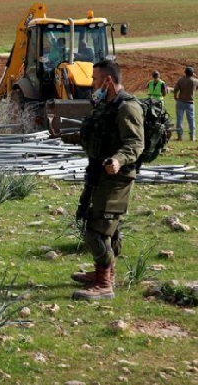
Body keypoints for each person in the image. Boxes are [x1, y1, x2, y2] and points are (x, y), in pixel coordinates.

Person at [71, 60, 144, 300]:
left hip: (116, 177)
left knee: (97, 230)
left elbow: (135, 143)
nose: (92, 84)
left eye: (94, 79)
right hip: (99, 173)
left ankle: (104, 285)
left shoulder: (127, 108)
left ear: (108, 81)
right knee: (107, 227)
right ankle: (104, 272)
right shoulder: (106, 105)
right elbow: (97, 135)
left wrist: (118, 160)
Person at [173, 66, 198, 141]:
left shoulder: (181, 80)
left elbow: (175, 90)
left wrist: (175, 97)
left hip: (180, 102)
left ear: (185, 73)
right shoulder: (195, 81)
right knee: (191, 120)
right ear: (192, 73)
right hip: (190, 103)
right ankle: (192, 136)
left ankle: (180, 136)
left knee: (179, 120)